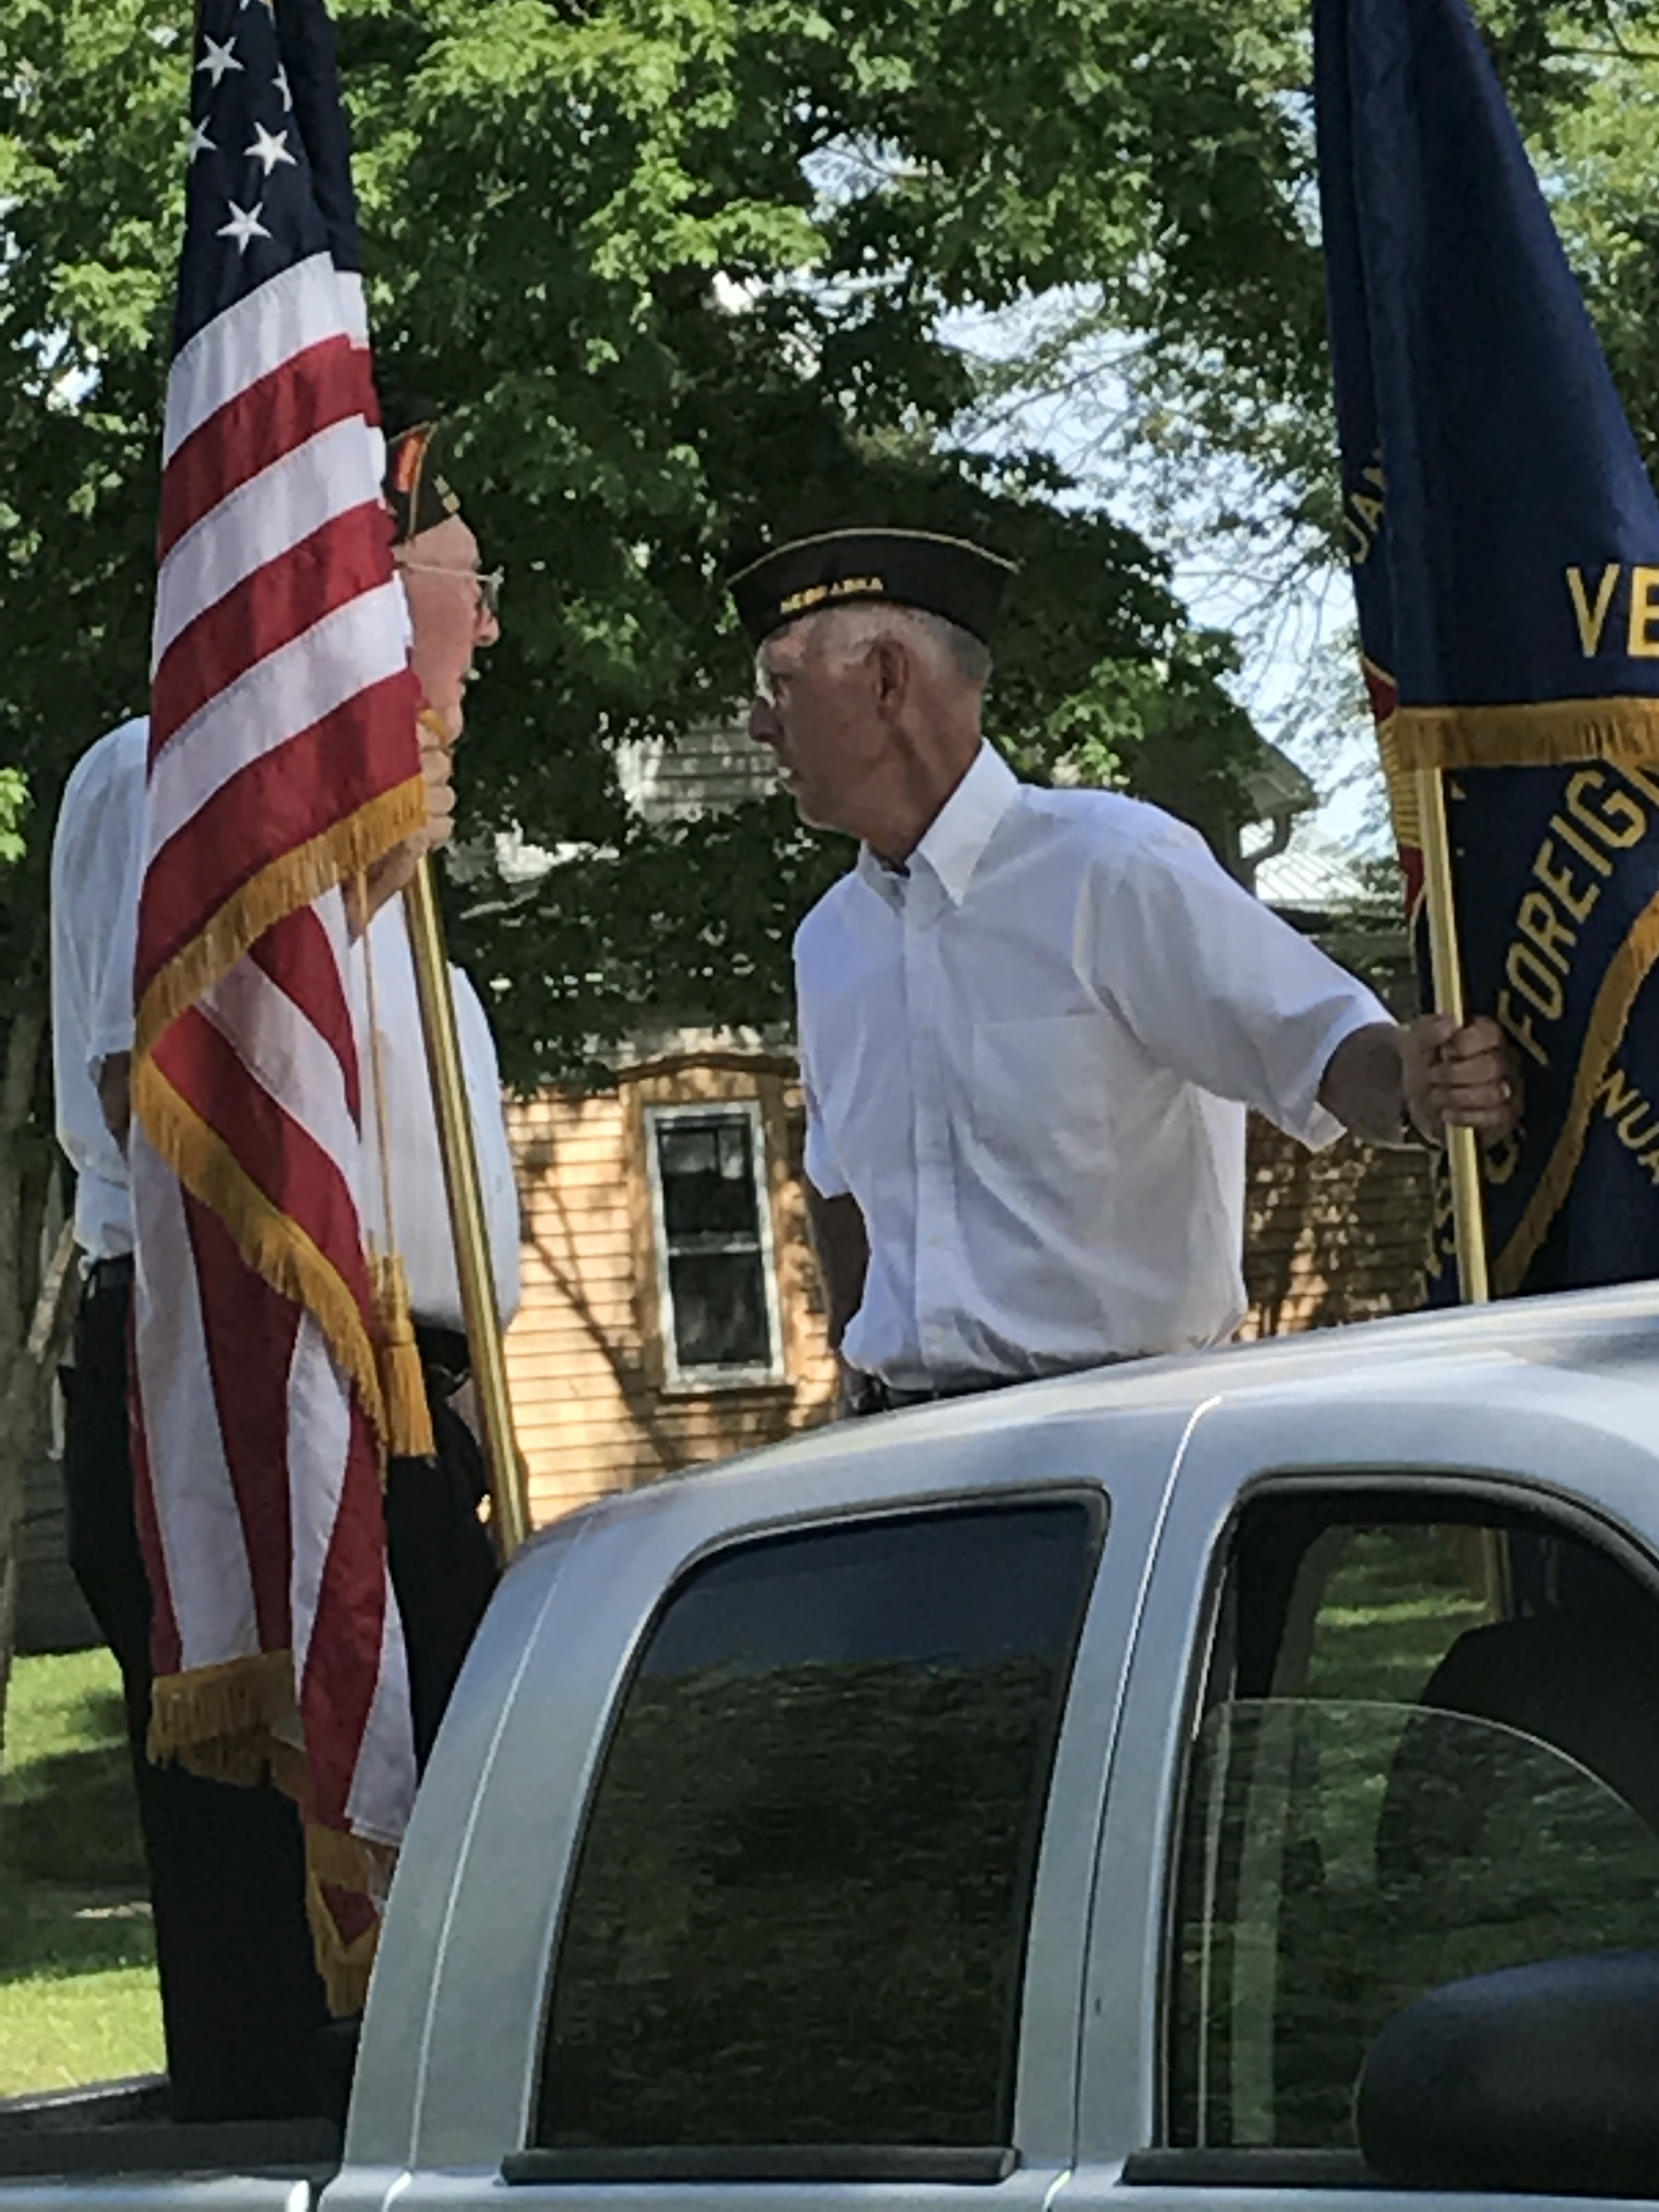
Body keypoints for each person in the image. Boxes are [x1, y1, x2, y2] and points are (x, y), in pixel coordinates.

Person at [48, 426, 516, 2118]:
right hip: (245, 1387)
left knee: (467, 1878)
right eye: (472, 590)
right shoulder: (168, 777)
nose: (489, 630)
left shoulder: (386, 833)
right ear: (367, 594)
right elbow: (161, 1082)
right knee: (280, 1977)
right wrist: (353, 879)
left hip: (406, 1404)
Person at [730, 528, 1519, 1413]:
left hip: (1121, 1432)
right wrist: (854, 1378)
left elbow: (1323, 1047)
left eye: (780, 685)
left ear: (886, 679)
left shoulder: (1112, 868)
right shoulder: (831, 943)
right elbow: (838, 1187)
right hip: (914, 1443)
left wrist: (1416, 1088)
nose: (759, 724)